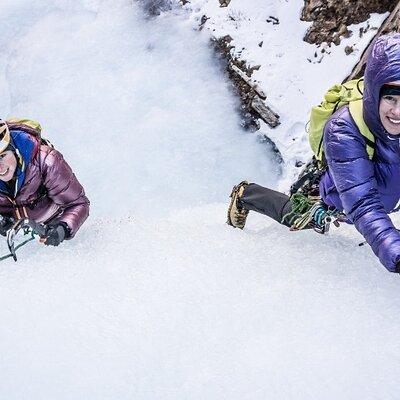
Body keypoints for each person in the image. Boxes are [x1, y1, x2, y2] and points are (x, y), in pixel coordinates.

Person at [227, 33, 400, 273]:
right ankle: (246, 194)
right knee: (295, 215)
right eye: (390, 98)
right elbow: (362, 202)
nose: (397, 112)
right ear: (374, 93)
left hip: (381, 195)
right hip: (338, 200)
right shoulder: (344, 128)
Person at [0, 119, 89, 246]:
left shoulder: (47, 162)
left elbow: (78, 203)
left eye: (2, 156)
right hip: (17, 239)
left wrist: (62, 229)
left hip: (54, 228)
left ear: (15, 150)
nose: (0, 167)